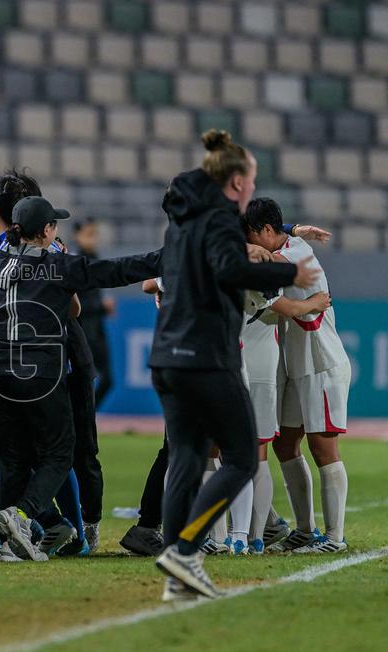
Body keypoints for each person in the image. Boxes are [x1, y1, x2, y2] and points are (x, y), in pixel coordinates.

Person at [150, 130, 317, 600]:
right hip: (206, 356)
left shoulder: (181, 222)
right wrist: (287, 272)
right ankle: (184, 552)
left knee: (185, 457)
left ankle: (175, 574)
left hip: (167, 356)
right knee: (243, 457)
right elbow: (228, 268)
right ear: (238, 182)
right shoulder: (222, 220)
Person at [0, 196, 163, 562]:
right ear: (47, 230)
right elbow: (117, 271)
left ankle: (5, 544)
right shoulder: (58, 266)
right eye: (54, 225)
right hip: (41, 373)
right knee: (60, 452)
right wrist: (167, 258)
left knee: (13, 458)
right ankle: (20, 515)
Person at [243, 198, 351, 554]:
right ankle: (306, 530)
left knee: (323, 448)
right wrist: (292, 227)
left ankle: (334, 538)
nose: (251, 243)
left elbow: (264, 268)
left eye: (252, 235)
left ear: (266, 231)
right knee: (284, 443)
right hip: (296, 364)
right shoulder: (287, 241)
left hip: (321, 362)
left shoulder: (294, 255)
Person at [73, 218, 115, 409]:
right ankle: (82, 416)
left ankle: (85, 414)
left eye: (94, 234)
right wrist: (101, 306)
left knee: (106, 379)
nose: (93, 239)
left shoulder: (95, 258)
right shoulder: (76, 262)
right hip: (84, 328)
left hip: (96, 326)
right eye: (88, 234)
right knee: (86, 379)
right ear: (77, 236)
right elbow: (76, 305)